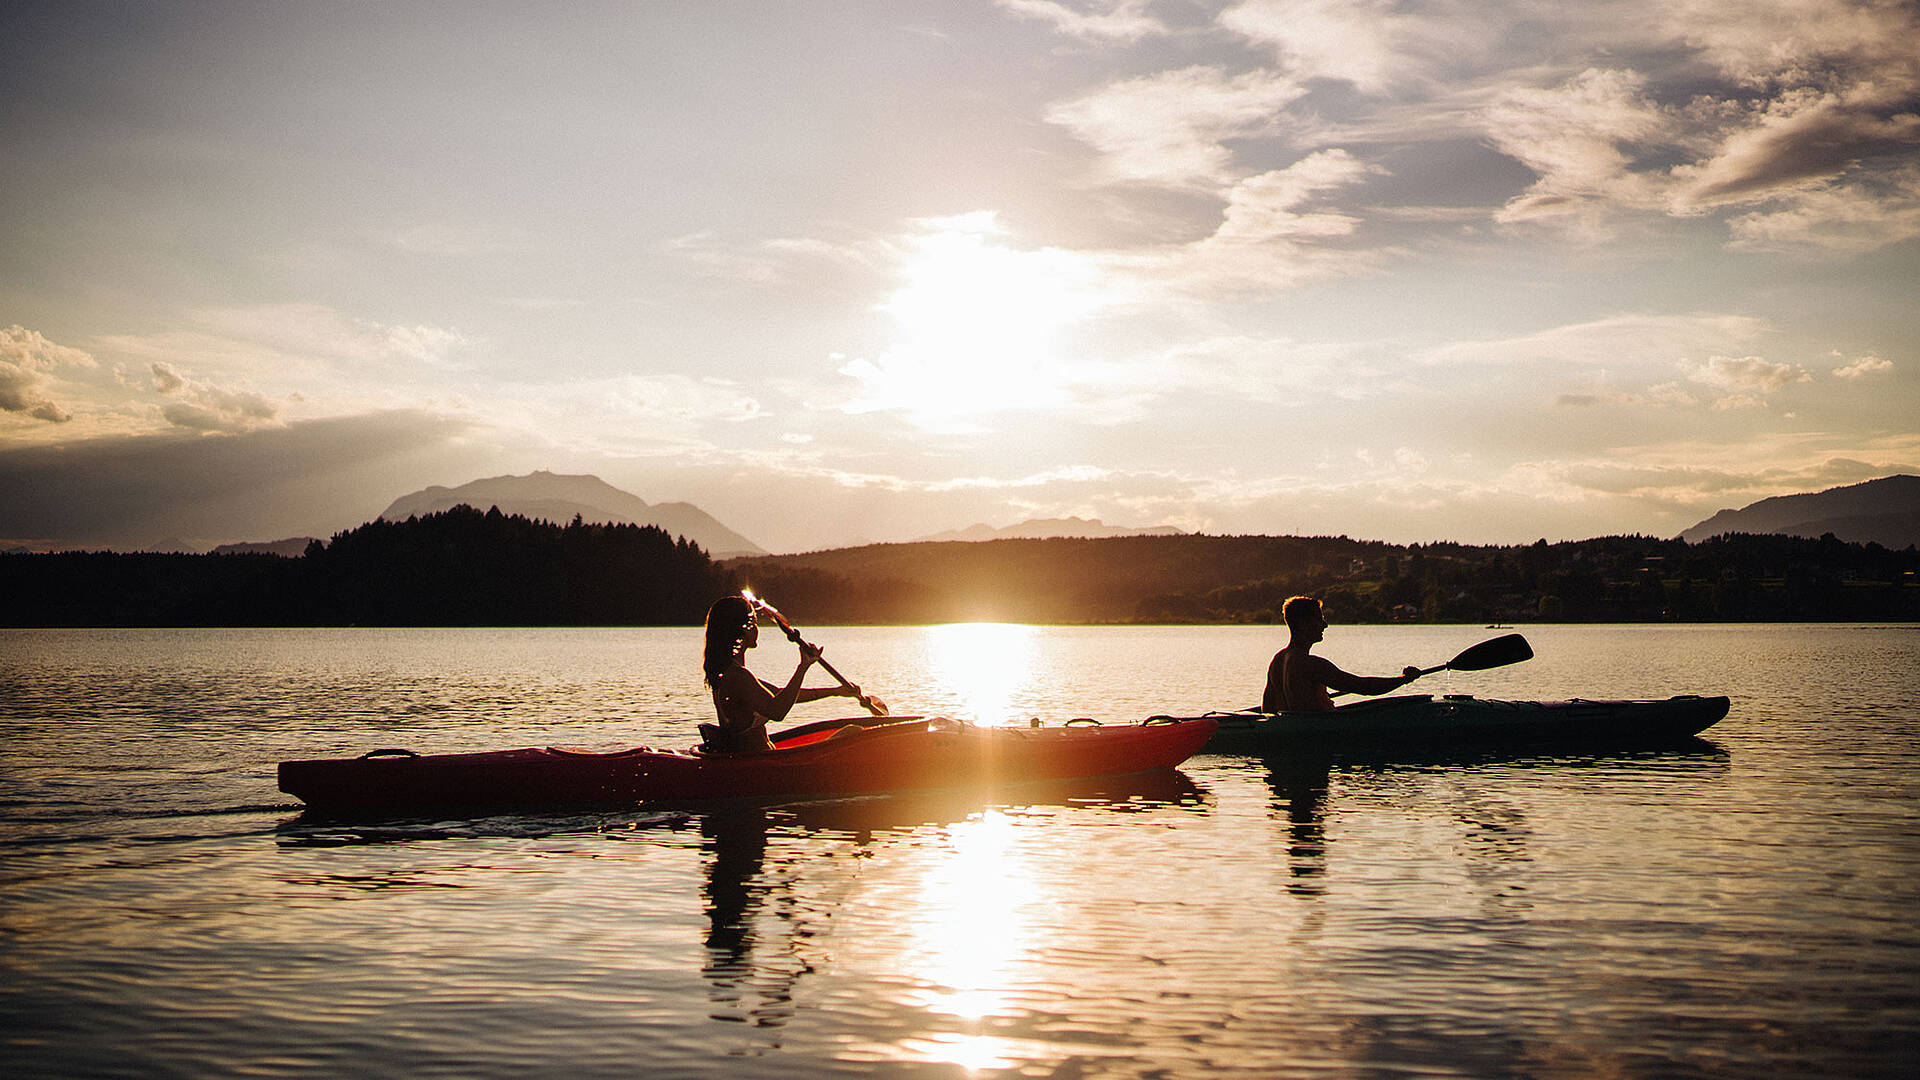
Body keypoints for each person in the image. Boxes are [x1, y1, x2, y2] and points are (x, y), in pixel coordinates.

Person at [701, 595, 864, 752]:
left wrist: (835, 692)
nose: (757, 629)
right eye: (755, 623)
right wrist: (803, 667)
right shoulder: (738, 676)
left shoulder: (730, 673)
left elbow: (780, 695)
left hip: (763, 759)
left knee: (852, 731)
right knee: (854, 732)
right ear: (742, 629)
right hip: (761, 766)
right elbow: (777, 711)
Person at [1262, 595, 1422, 712]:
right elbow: (1363, 686)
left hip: (1296, 732)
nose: (1324, 625)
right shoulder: (1311, 664)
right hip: (1319, 735)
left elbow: (1267, 710)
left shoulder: (1278, 660)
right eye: (1319, 619)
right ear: (1303, 624)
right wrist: (1403, 680)